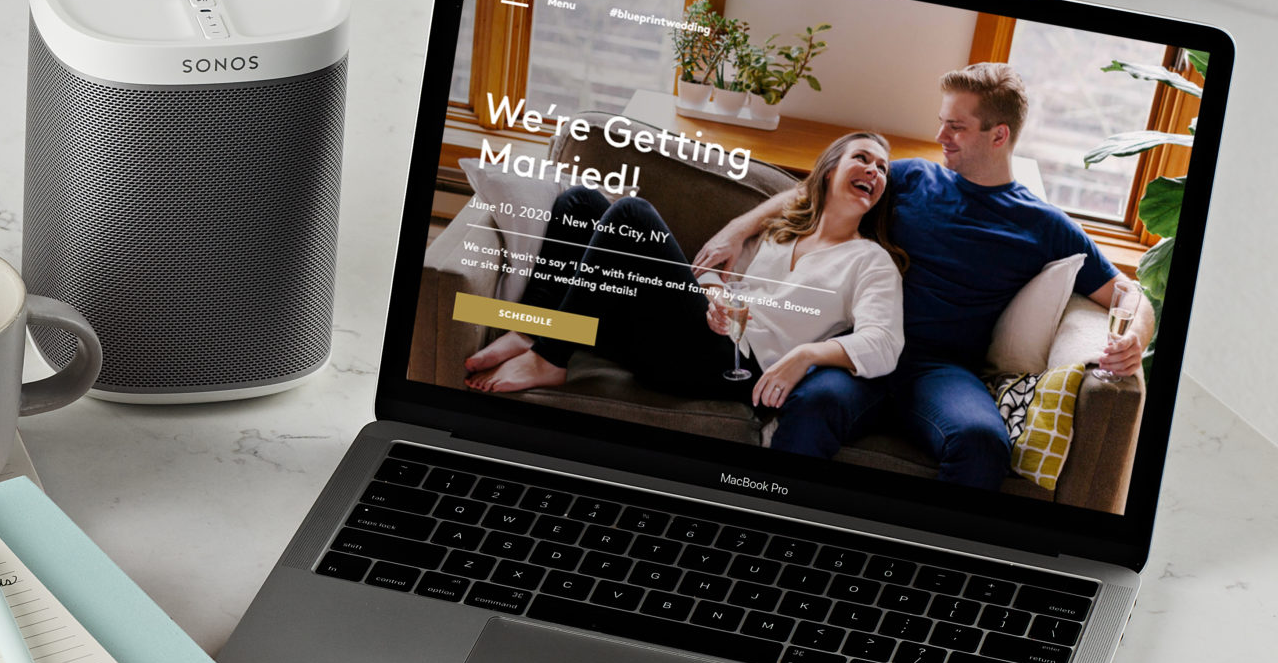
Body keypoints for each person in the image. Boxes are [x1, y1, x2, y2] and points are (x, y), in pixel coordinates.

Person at [691, 63, 1157, 489]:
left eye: (956, 126)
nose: (940, 135)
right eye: (942, 121)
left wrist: (1134, 335)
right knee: (813, 407)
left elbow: (1129, 293)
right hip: (857, 349)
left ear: (999, 136)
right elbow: (816, 190)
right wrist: (737, 230)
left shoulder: (1045, 226)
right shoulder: (913, 178)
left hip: (940, 372)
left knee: (982, 443)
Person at [464, 132, 907, 455]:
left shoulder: (871, 261)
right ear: (830, 168)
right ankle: (533, 331)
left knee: (632, 214)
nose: (874, 170)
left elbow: (883, 344)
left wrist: (807, 354)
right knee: (579, 203)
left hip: (731, 365)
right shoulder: (782, 229)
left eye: (882, 168)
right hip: (694, 334)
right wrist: (714, 294)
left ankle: (551, 357)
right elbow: (716, 277)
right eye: (863, 157)